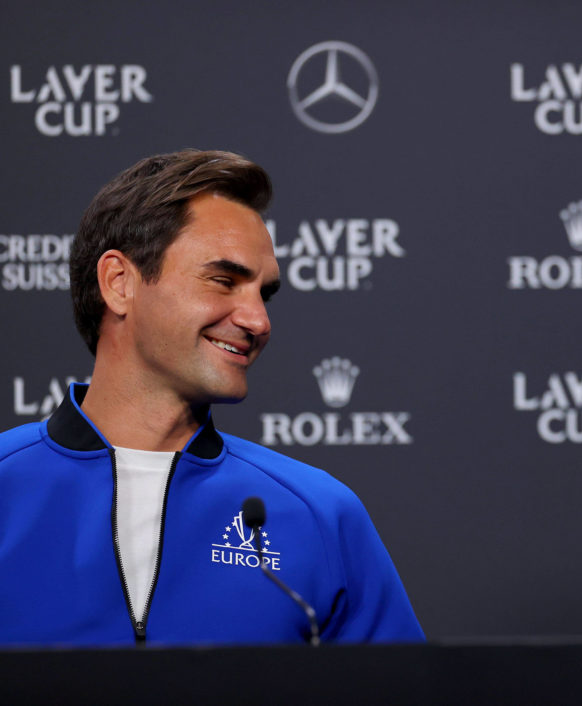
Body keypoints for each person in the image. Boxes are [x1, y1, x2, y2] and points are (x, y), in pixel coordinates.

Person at [0, 150, 424, 646]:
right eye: (224, 281)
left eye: (264, 294)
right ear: (119, 283)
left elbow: (400, 685)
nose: (258, 321)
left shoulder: (320, 514)